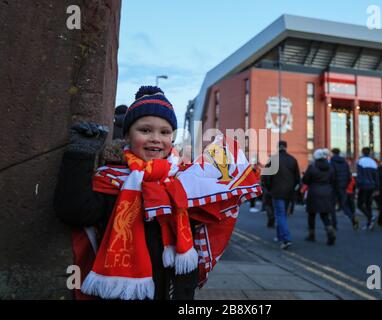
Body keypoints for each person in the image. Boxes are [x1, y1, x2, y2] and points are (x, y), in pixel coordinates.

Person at [54, 86, 261, 300]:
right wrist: (79, 155)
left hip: (175, 289)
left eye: (164, 132)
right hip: (123, 294)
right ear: (127, 135)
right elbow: (74, 212)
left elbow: (211, 214)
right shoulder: (112, 178)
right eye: (145, 130)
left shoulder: (185, 178)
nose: (156, 138)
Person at [263, 141, 301, 249]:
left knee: (280, 214)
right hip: (289, 192)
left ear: (277, 147)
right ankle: (279, 236)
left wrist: (269, 188)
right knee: (282, 214)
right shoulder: (293, 160)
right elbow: (298, 178)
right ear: (286, 147)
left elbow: (266, 176)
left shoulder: (273, 159)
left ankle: (286, 239)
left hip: (277, 191)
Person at [302, 149, 336, 245]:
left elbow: (305, 180)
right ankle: (329, 229)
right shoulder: (330, 167)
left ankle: (311, 234)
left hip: (314, 192)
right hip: (327, 192)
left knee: (311, 214)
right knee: (324, 215)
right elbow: (333, 180)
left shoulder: (312, 167)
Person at [330, 148, 358, 230]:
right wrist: (345, 185)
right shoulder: (345, 163)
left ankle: (334, 224)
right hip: (343, 187)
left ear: (333, 153)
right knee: (344, 205)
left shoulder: (332, 162)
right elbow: (349, 176)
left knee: (332, 206)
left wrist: (332, 184)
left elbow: (332, 175)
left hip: (335, 187)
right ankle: (352, 217)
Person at [356, 147, 379, 231]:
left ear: (362, 152)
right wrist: (377, 188)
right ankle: (369, 223)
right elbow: (376, 177)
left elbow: (359, 175)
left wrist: (358, 186)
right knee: (368, 204)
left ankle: (370, 217)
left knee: (359, 205)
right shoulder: (373, 162)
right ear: (370, 153)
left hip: (364, 186)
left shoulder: (360, 161)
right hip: (372, 186)